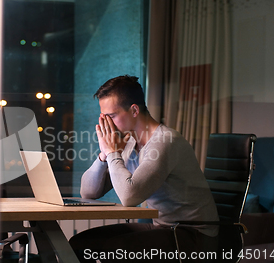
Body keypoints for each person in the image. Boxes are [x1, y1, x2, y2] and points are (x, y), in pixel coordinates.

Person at [69, 75, 219, 262]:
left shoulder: (165, 141)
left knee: (115, 249)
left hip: (194, 234)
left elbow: (129, 197)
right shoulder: (129, 142)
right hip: (163, 227)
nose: (106, 124)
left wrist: (113, 152)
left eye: (112, 116)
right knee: (80, 244)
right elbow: (88, 192)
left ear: (133, 110)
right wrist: (104, 154)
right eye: (103, 117)